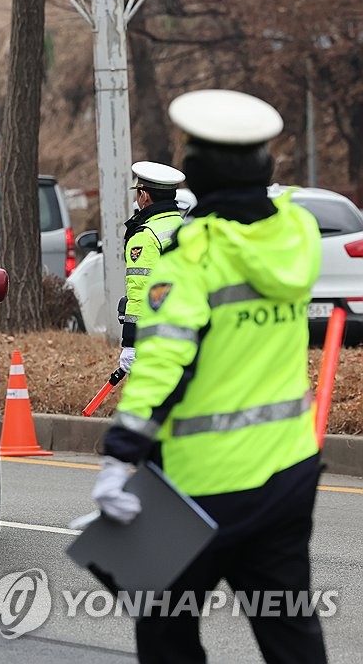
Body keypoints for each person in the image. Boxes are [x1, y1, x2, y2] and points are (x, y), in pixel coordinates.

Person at [92, 89, 327, 663]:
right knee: (291, 633)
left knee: (164, 630)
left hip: (196, 490)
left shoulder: (193, 255)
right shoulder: (295, 234)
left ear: (197, 170)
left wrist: (120, 456)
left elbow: (164, 366)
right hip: (288, 473)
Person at [117, 161, 186, 372]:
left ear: (144, 196)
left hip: (157, 334)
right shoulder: (184, 225)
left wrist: (130, 343)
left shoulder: (145, 236)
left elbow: (139, 290)